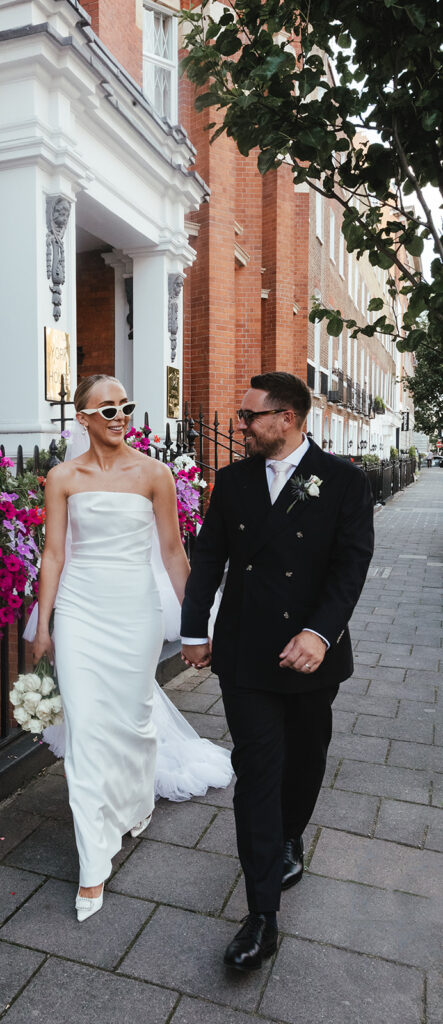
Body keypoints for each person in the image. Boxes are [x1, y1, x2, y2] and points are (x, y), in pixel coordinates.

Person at [181, 372, 374, 971]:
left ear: (286, 417)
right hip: (245, 653)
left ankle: (292, 835)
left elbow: (351, 566)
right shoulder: (233, 481)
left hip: (312, 653)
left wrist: (320, 633)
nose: (240, 426)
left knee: (307, 756)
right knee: (258, 771)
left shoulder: (343, 481)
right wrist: (193, 629)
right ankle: (261, 914)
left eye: (248, 417)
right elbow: (209, 554)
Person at [32, 374, 232, 923]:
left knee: (135, 719)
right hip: (79, 610)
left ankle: (135, 802)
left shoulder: (155, 474)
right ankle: (93, 862)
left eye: (127, 407)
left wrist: (197, 625)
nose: (120, 416)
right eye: (108, 408)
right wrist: (45, 623)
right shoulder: (62, 477)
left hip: (136, 611)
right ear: (83, 419)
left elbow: (171, 551)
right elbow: (53, 554)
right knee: (87, 728)